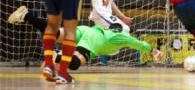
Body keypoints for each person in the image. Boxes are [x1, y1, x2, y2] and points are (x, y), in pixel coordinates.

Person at [8, 6, 163, 70]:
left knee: (54, 34)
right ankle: (57, 56)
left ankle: (26, 15)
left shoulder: (114, 27)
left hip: (87, 30)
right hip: (94, 40)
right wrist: (153, 50)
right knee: (74, 64)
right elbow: (137, 43)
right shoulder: (124, 35)